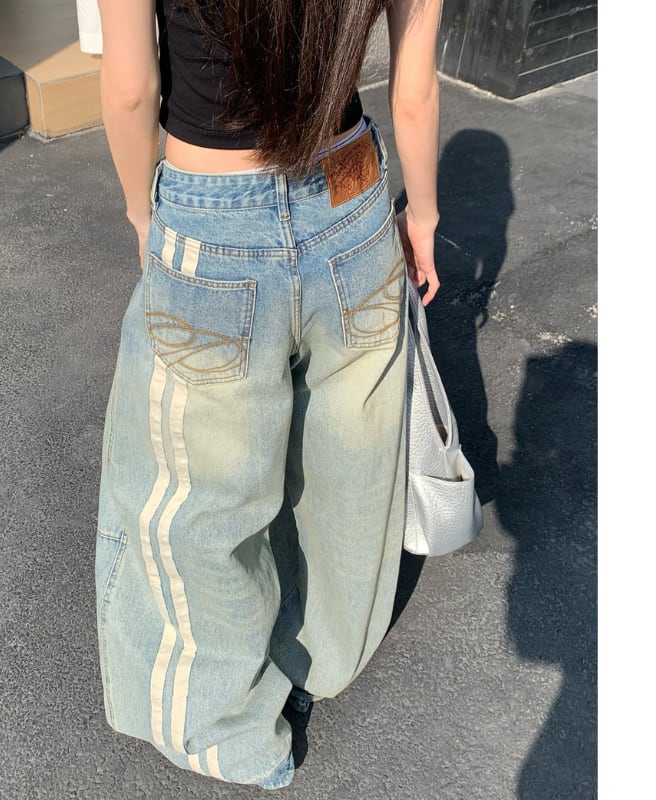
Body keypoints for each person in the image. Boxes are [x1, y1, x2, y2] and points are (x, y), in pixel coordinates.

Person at [78, 0, 441, 789]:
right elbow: (413, 90)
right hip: (352, 193)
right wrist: (423, 216)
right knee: (348, 468)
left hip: (211, 213)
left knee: (199, 504)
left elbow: (132, 89)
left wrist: (143, 214)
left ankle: (233, 735)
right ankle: (320, 661)